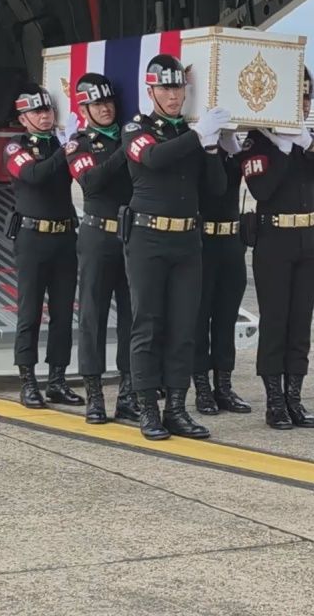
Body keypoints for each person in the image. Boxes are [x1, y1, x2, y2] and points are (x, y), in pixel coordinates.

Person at [122, 54, 230, 440]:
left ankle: (177, 409)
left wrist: (213, 148)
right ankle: (148, 409)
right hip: (148, 238)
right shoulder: (136, 129)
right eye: (165, 88)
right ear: (150, 91)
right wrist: (199, 136)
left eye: (178, 88)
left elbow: (216, 189)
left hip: (186, 240)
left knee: (184, 327)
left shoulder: (190, 132)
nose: (173, 95)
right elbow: (153, 158)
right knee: (148, 325)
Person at [243, 67, 314, 428]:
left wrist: (308, 143)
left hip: (307, 240)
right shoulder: (258, 141)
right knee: (276, 321)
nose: (303, 104)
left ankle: (294, 397)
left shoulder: (308, 139)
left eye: (307, 98)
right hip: (274, 239)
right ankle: (274, 400)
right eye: (296, 97)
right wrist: (284, 149)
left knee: (301, 322)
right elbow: (261, 189)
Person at [3, 85, 81, 409]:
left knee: (63, 312)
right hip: (32, 237)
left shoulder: (62, 143)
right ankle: (28, 381)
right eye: (36, 112)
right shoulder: (16, 146)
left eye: (48, 110)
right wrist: (66, 148)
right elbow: (34, 175)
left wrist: (71, 146)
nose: (45, 116)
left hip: (64, 236)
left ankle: (57, 380)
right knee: (30, 311)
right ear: (23, 118)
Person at [64, 73, 135, 424]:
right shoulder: (79, 144)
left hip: (131, 235)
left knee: (133, 317)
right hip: (98, 236)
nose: (105, 109)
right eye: (97, 104)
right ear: (84, 110)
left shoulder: (128, 135)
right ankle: (94, 394)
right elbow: (91, 182)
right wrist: (127, 149)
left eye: (108, 102)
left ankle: (128, 393)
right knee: (93, 316)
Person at [191, 115, 251, 417]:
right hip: (204, 243)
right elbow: (215, 188)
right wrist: (211, 147)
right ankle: (202, 387)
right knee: (200, 319)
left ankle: (224, 386)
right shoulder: (198, 149)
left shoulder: (232, 151)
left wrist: (232, 146)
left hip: (231, 243)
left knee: (227, 319)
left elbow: (242, 179)